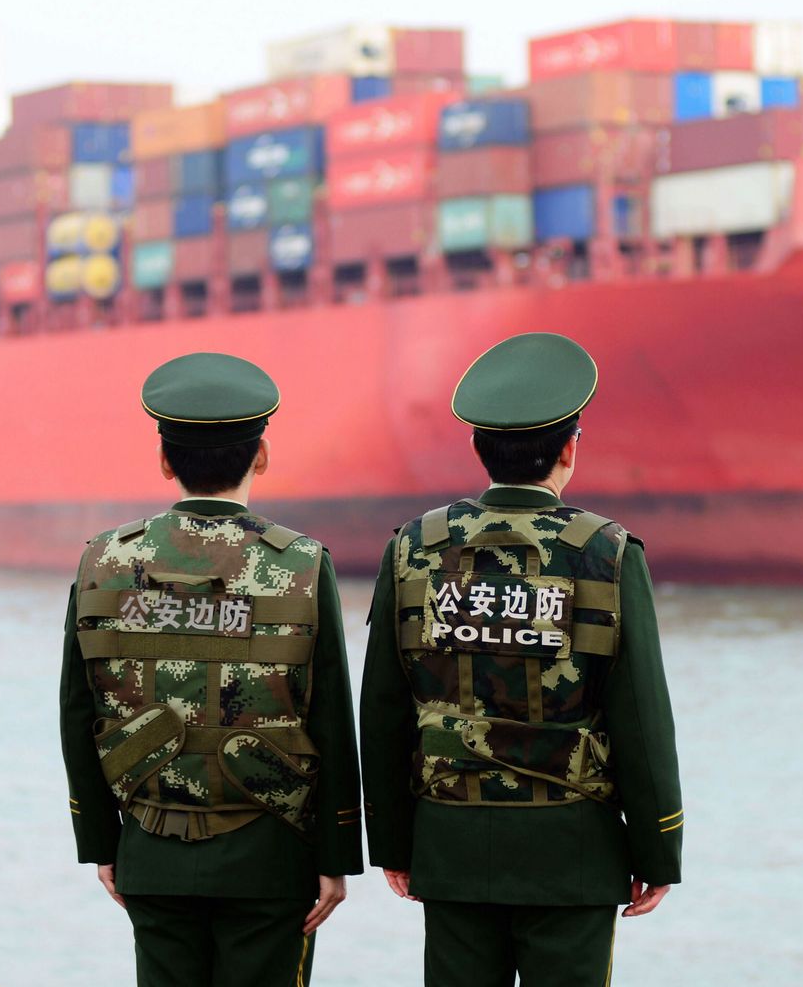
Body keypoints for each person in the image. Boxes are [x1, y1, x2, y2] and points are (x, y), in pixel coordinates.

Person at [359, 332, 685, 987]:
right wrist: (658, 850)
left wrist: (396, 844)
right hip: (574, 849)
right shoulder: (607, 554)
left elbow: (385, 708)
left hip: (450, 844)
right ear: (569, 450)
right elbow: (641, 717)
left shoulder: (413, 548)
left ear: (478, 448)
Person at [59, 352, 362, 987]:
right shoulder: (303, 565)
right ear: (262, 456)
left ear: (165, 461)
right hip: (271, 858)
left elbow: (78, 710)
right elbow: (330, 715)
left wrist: (102, 846)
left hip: (150, 850)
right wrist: (336, 856)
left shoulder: (102, 561)